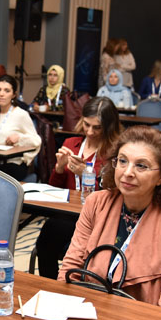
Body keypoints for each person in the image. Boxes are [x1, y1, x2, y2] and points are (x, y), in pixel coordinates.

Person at [58, 126, 161, 314]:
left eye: (141, 166)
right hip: (90, 313)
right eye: (122, 161)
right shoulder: (96, 203)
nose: (127, 172)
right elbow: (70, 270)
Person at [36, 97, 122, 279]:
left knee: (58, 234)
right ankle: (50, 285)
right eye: (86, 125)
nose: (90, 132)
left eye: (97, 127)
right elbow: (54, 189)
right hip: (68, 212)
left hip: (98, 215)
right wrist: (59, 168)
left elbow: (114, 193)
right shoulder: (71, 144)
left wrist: (87, 175)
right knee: (47, 237)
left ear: (108, 127)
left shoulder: (114, 153)